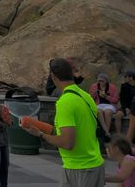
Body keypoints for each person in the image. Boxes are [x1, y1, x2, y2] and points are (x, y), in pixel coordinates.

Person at [23, 58, 104, 187]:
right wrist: (49, 130)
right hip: (93, 165)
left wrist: (40, 134)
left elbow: (67, 143)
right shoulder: (85, 96)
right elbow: (81, 129)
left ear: (53, 77)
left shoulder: (65, 102)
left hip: (79, 169)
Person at [90, 72, 119, 136]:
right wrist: (95, 93)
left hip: (110, 105)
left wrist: (106, 96)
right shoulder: (94, 86)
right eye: (99, 81)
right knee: (98, 111)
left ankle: (106, 132)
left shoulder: (112, 87)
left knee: (107, 112)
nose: (100, 82)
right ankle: (106, 132)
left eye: (102, 81)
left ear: (106, 81)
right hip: (99, 104)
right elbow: (90, 98)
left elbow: (116, 100)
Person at [114, 70, 135, 138]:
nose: (124, 78)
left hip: (134, 108)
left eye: (126, 77)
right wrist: (126, 108)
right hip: (126, 107)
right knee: (118, 115)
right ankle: (119, 135)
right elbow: (122, 99)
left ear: (131, 78)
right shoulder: (124, 86)